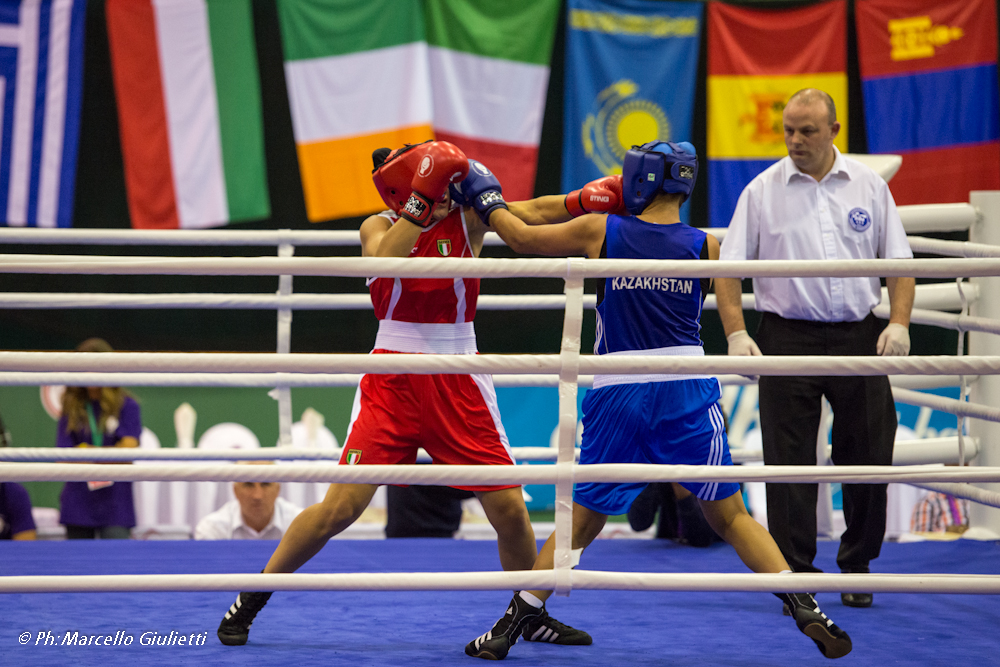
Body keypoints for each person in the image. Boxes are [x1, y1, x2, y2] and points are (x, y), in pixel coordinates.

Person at [463, 141, 851, 660]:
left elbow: (520, 238)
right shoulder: (705, 245)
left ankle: (512, 624)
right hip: (685, 388)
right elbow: (750, 280)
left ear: (640, 178)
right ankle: (803, 603)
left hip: (619, 389)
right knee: (732, 517)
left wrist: (485, 197)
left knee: (580, 520)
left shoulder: (602, 229)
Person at [216, 141, 589, 648]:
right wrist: (420, 197)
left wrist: (585, 200)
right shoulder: (376, 226)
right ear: (405, 190)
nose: (439, 197)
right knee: (340, 509)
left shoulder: (464, 217)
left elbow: (530, 211)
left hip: (458, 375)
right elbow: (387, 262)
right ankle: (252, 596)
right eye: (427, 187)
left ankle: (528, 612)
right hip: (392, 376)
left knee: (509, 509)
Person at [715, 89, 916, 610]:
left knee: (871, 455)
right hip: (786, 335)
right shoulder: (761, 191)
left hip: (858, 334)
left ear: (833, 131)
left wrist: (898, 321)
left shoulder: (869, 187)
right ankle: (795, 575)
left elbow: (899, 260)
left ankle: (858, 565)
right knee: (789, 465)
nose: (796, 140)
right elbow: (727, 270)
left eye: (807, 130)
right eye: (788, 130)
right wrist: (737, 333)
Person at [57, 338, 141, 539]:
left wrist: (87, 452)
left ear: (108, 367)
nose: (90, 372)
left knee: (117, 566)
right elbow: (63, 457)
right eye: (85, 366)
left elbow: (127, 454)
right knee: (77, 567)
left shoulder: (127, 405)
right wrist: (111, 453)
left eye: (96, 365)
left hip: (115, 504)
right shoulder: (71, 407)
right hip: (78, 502)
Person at [195, 463, 303, 540]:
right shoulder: (213, 528)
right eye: (248, 485)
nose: (257, 496)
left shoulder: (301, 524)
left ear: (278, 489)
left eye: (265, 484)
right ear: (235, 490)